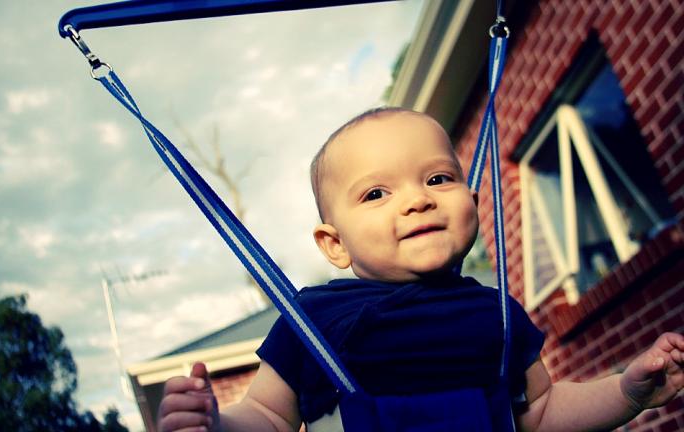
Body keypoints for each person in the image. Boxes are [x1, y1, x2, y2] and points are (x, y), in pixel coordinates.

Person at [157, 108, 684, 432]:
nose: (416, 201)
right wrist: (216, 424)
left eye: (436, 179)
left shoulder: (494, 313)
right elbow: (269, 418)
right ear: (333, 244)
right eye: (377, 193)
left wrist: (624, 393)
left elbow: (542, 412)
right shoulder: (311, 320)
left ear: (472, 201)